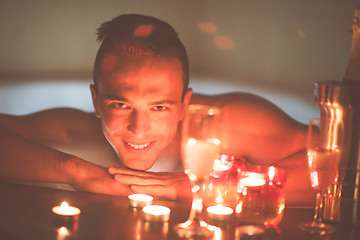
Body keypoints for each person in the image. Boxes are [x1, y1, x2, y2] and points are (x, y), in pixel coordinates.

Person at [0, 14, 313, 205]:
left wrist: (214, 186)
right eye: (120, 104)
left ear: (184, 105)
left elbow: (336, 164)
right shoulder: (75, 129)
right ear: (96, 102)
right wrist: (78, 173)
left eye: (159, 106)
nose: (139, 128)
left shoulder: (229, 122)